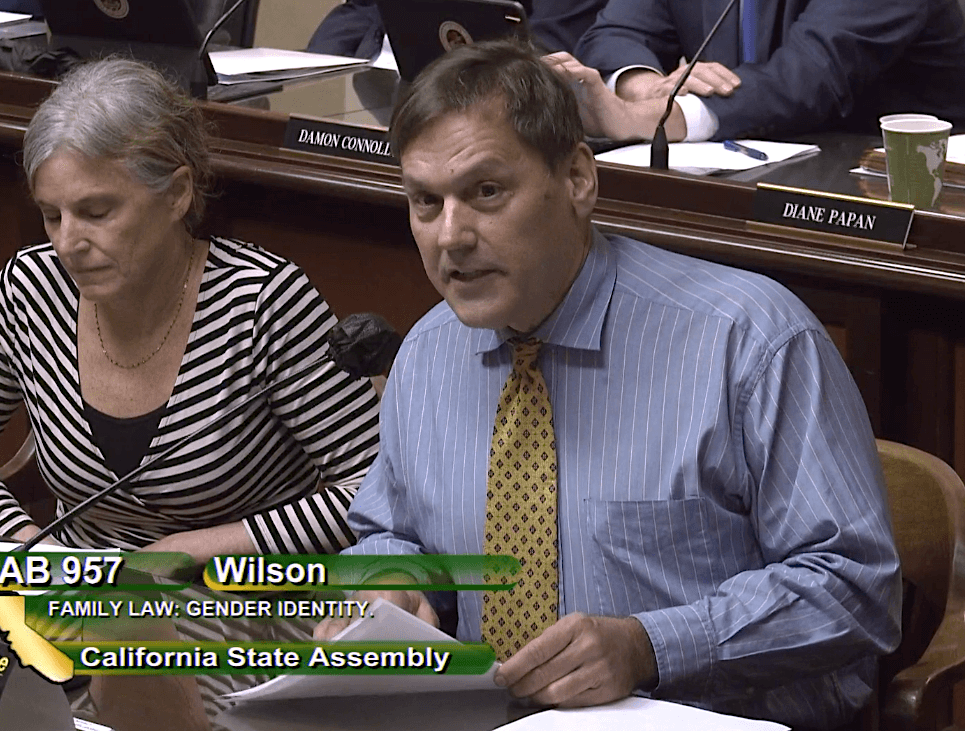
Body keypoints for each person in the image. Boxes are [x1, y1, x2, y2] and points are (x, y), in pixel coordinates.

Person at [315, 40, 901, 730]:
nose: (451, 236)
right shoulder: (427, 353)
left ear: (577, 179)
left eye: (485, 192)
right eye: (424, 202)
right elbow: (392, 532)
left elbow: (855, 587)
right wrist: (387, 582)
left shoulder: (746, 339)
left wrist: (650, 646)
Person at [0, 57, 381, 565]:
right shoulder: (30, 289)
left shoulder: (263, 302)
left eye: (96, 212)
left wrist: (195, 550)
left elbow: (372, 486)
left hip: (234, 595)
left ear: (177, 194)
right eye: (52, 216)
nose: (67, 243)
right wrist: (30, 541)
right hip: (72, 590)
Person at [547, 0, 965, 142]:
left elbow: (807, 78)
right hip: (741, 175)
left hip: (898, 204)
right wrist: (643, 88)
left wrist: (644, 117)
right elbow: (615, 31)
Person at [306, 0, 605, 60]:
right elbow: (363, 7)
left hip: (470, 89)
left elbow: (544, 50)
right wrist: (317, 66)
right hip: (371, 81)